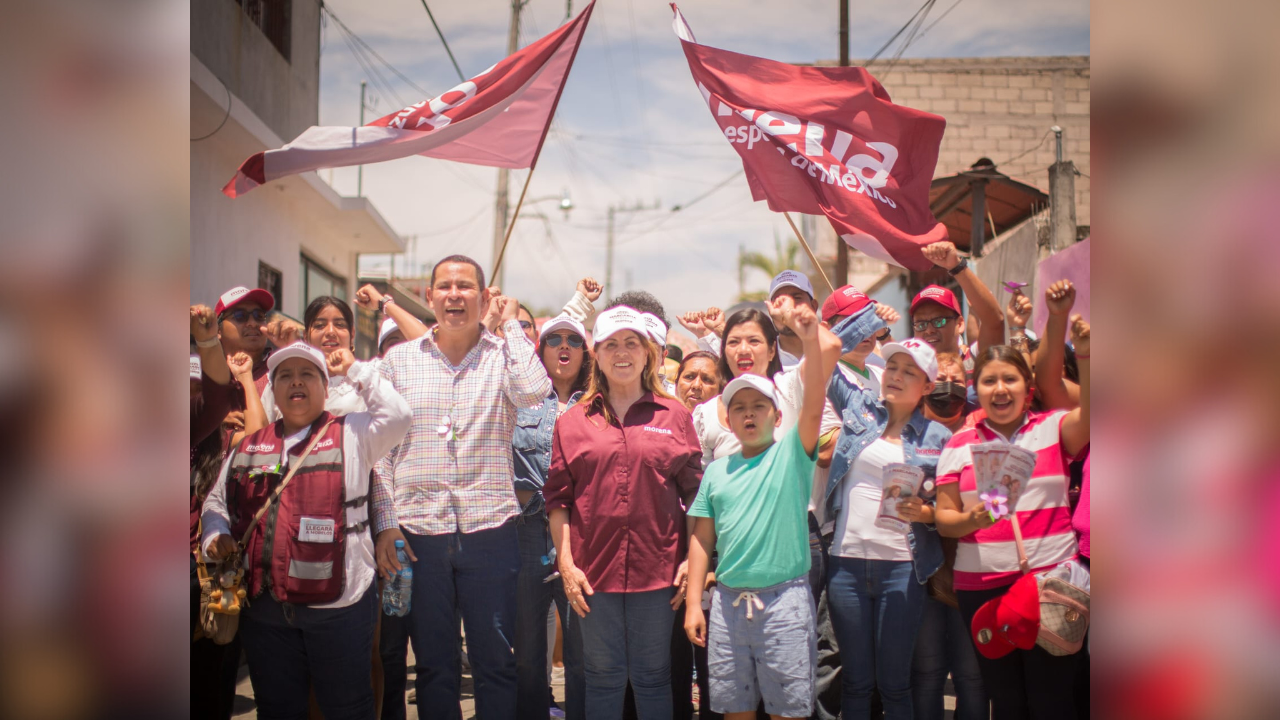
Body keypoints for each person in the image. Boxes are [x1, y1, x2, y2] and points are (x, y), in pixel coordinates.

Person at [371, 254, 552, 719]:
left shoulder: (502, 357)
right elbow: (380, 455)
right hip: (417, 536)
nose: (455, 295)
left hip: (490, 532)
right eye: (445, 287)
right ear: (429, 297)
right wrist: (387, 525)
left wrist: (510, 326)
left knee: (495, 663)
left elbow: (535, 392)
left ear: (484, 296)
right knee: (433, 665)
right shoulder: (398, 363)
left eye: (466, 286)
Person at [200, 341, 411, 720]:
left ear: (325, 387)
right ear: (274, 390)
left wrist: (354, 369)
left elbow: (399, 417)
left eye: (307, 374)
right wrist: (215, 536)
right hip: (265, 611)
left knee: (347, 710)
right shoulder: (248, 446)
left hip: (340, 607)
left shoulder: (355, 433)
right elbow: (216, 502)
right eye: (285, 375)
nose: (295, 382)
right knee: (278, 711)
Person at [932, 279, 1090, 720]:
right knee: (1008, 702)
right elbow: (945, 519)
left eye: (1009, 379)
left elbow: (1097, 413)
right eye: (988, 381)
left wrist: (1089, 356)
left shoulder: (1053, 426)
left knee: (1053, 700)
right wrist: (970, 520)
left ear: (1027, 385)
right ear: (974, 388)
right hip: (980, 588)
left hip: (1051, 584)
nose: (999, 389)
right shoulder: (958, 443)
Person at [684, 296, 841, 720]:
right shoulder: (716, 472)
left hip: (785, 603)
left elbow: (817, 393)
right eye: (738, 408)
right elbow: (702, 536)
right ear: (727, 419)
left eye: (758, 407)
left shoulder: (793, 452)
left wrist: (806, 328)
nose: (748, 414)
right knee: (734, 710)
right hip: (728, 607)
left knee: (789, 711)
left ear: (777, 414)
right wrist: (696, 602)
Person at [544, 306, 703, 720]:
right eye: (611, 343)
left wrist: (690, 559)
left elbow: (697, 497)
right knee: (602, 677)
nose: (622, 352)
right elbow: (558, 500)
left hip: (659, 573)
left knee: (653, 678)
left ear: (648, 352)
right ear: (595, 353)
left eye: (632, 343)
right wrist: (566, 564)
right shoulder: (573, 422)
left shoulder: (676, 416)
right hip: (592, 575)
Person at [823, 305, 953, 720]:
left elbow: (950, 506)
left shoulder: (939, 437)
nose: (895, 375)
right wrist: (868, 318)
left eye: (908, 371)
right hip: (844, 565)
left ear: (928, 385)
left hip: (902, 568)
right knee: (857, 683)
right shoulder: (858, 408)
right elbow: (825, 357)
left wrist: (927, 512)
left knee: (895, 685)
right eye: (891, 366)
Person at [514, 315, 593, 720]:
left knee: (581, 653)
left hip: (580, 536)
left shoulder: (599, 401)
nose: (564, 346)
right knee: (527, 653)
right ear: (540, 350)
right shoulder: (520, 398)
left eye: (574, 340)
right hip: (525, 533)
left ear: (586, 352)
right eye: (554, 339)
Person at [913, 357, 989, 720]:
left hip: (973, 570)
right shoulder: (906, 432)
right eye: (939, 379)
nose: (947, 386)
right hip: (923, 572)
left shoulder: (982, 435)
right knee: (926, 674)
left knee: (972, 677)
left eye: (956, 380)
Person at [691, 308, 783, 468]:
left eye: (754, 341)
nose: (743, 350)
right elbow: (701, 480)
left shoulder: (792, 397)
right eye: (733, 342)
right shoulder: (707, 413)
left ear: (772, 350)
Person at [911, 242, 1005, 363]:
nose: (929, 330)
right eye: (921, 325)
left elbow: (995, 322)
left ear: (959, 324)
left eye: (939, 321)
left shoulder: (976, 362)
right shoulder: (910, 374)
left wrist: (956, 266)